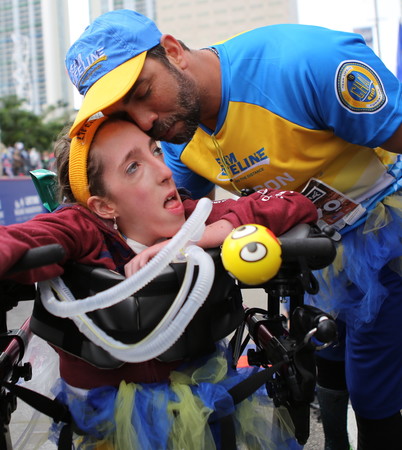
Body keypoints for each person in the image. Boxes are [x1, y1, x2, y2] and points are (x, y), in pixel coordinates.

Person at [65, 10, 402, 449]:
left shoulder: (304, 64)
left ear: (172, 51)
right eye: (127, 113)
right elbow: (167, 222)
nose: (146, 120)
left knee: (373, 386)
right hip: (317, 251)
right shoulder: (174, 134)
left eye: (144, 91)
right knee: (328, 363)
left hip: (384, 231)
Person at [0, 115, 317, 448]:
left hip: (203, 407)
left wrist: (202, 236)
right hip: (107, 424)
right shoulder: (81, 227)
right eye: (133, 167)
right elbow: (23, 238)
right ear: (103, 205)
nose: (165, 172)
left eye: (156, 152)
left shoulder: (193, 216)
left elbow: (295, 203)